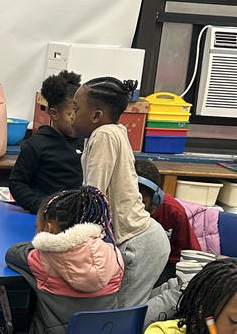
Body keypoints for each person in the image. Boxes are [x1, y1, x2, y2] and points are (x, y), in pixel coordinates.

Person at [0, 186, 124, 334]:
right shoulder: (114, 256)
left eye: (38, 229)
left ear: (49, 229)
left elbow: (13, 253)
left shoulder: (42, 261)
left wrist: (46, 245)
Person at [73, 77, 170, 306]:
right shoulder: (112, 131)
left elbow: (94, 196)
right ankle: (174, 294)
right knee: (121, 311)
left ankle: (177, 297)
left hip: (137, 243)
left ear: (96, 116)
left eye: (77, 109)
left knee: (121, 318)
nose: (72, 115)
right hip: (143, 238)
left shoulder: (103, 135)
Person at [8, 70, 83, 214]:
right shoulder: (36, 144)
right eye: (70, 114)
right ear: (54, 114)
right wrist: (42, 206)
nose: (75, 119)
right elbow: (17, 183)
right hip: (46, 218)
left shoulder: (84, 142)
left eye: (78, 113)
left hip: (76, 217)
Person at [135, 158, 200, 284]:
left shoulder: (174, 212)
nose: (135, 207)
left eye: (142, 202)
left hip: (167, 263)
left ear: (156, 198)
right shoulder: (119, 207)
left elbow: (190, 253)